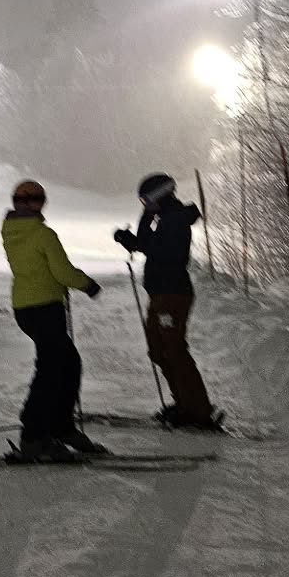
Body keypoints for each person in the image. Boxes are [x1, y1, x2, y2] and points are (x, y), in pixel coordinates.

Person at [1, 179, 107, 460]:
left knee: (66, 364)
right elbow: (63, 272)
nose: (39, 206)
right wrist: (87, 285)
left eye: (40, 200)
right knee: (52, 370)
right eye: (37, 201)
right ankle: (35, 436)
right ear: (30, 203)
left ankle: (60, 426)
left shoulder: (10, 231)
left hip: (26, 308)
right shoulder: (42, 234)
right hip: (45, 308)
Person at [115, 172, 220, 429]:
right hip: (160, 293)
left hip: (173, 294)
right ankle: (184, 402)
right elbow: (149, 243)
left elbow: (169, 253)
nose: (144, 204)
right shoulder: (159, 216)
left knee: (173, 349)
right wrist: (132, 241)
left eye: (146, 199)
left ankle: (199, 410)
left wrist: (139, 244)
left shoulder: (174, 219)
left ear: (158, 196)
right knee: (159, 349)